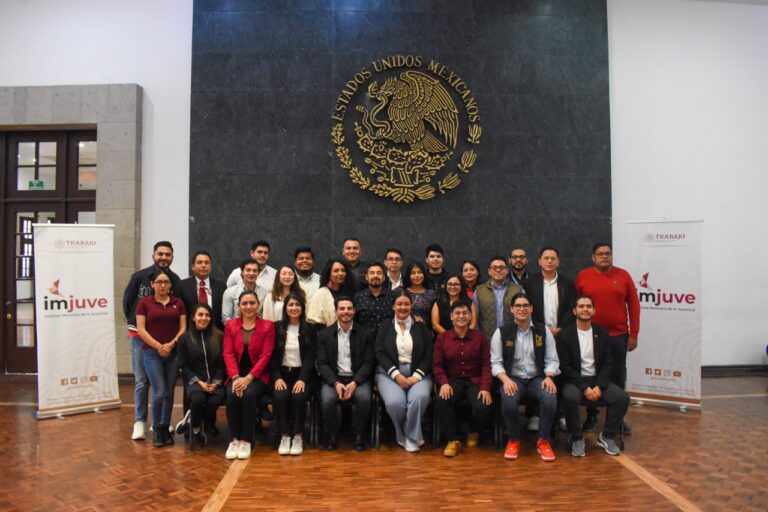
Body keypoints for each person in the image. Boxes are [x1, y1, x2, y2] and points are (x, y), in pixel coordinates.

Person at [575, 243, 640, 433]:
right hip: (590, 336)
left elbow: (634, 306)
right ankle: (591, 415)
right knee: (592, 375)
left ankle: (616, 420)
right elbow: (576, 305)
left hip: (618, 336)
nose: (604, 256)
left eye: (608, 253)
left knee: (617, 377)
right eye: (600, 254)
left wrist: (634, 333)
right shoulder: (583, 276)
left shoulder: (623, 275)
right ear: (593, 257)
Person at [556, 295, 630, 457]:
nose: (585, 309)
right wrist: (585, 388)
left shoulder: (602, 333)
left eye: (588, 306)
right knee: (569, 397)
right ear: (574, 311)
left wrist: (599, 386)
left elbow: (608, 363)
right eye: (581, 306)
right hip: (575, 381)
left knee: (622, 398)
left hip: (597, 380)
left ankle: (607, 436)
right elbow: (565, 367)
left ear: (594, 311)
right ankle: (577, 438)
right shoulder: (565, 335)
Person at [123, 240, 182, 441]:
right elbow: (127, 302)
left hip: (167, 342)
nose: (164, 257)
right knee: (142, 381)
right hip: (141, 338)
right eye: (160, 254)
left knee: (164, 384)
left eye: (167, 254)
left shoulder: (175, 280)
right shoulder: (139, 277)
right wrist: (137, 325)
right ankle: (140, 421)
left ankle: (162, 422)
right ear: (153, 255)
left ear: (172, 257)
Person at [490, 293, 559, 461]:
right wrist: (505, 380)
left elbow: (552, 359)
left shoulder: (543, 331)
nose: (522, 309)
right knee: (508, 398)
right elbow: (496, 362)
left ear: (531, 309)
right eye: (518, 306)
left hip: (537, 378)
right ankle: (513, 440)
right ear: (511, 309)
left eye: (525, 305)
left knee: (549, 396)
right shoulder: (501, 332)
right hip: (513, 378)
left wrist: (549, 376)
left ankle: (543, 441)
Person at [375, 289, 433, 452]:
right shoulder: (385, 326)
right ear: (393, 306)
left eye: (406, 304)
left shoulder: (421, 326)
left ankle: (410, 436)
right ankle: (402, 435)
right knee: (395, 404)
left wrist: (416, 376)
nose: (403, 307)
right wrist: (396, 375)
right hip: (389, 374)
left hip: (418, 373)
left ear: (411, 306)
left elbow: (429, 353)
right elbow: (379, 352)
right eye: (399, 304)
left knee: (420, 398)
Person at [433, 300, 493, 457]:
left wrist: (485, 387)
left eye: (465, 313)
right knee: (442, 400)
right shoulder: (443, 338)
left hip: (475, 381)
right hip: (453, 381)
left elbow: (487, 365)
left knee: (484, 405)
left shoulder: (480, 337)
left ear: (470, 316)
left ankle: (473, 430)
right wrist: (444, 383)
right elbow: (437, 365)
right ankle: (453, 440)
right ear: (451, 317)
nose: (461, 316)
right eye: (457, 313)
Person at [316, 297, 375, 451]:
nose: (346, 312)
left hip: (358, 379)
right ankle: (332, 435)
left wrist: (355, 382)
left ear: (354, 311)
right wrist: (335, 383)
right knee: (328, 400)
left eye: (349, 308)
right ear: (336, 311)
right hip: (334, 379)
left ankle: (359, 436)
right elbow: (322, 363)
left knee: (364, 398)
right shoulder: (324, 334)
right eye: (342, 308)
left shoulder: (366, 333)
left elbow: (368, 362)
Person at [135, 270, 187, 447]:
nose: (163, 285)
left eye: (166, 282)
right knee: (159, 392)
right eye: (159, 282)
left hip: (173, 354)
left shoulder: (178, 303)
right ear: (153, 284)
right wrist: (158, 346)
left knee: (169, 392)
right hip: (152, 354)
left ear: (170, 284)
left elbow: (183, 328)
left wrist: (171, 345)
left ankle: (165, 427)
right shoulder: (144, 303)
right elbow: (141, 330)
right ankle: (157, 428)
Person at [223, 290, 275, 460]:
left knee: (249, 395)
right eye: (244, 303)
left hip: (258, 376)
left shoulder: (268, 326)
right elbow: (228, 354)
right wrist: (236, 378)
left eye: (252, 303)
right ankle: (234, 439)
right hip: (235, 375)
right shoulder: (230, 325)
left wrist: (248, 378)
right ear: (238, 306)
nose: (248, 307)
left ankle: (246, 439)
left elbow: (266, 356)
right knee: (232, 395)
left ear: (258, 305)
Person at [270, 293, 317, 456]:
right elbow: (271, 356)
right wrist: (277, 377)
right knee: (280, 396)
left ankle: (297, 435)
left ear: (302, 308)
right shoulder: (276, 327)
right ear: (285, 308)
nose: (294, 308)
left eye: (297, 305)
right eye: (290, 305)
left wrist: (302, 379)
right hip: (282, 374)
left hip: (302, 375)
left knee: (299, 397)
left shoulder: (310, 328)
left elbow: (311, 356)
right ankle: (284, 435)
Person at [176, 303, 225, 446]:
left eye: (207, 315)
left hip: (215, 381)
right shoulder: (184, 338)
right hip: (195, 381)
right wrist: (199, 382)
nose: (204, 318)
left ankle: (202, 421)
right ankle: (196, 428)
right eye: (200, 315)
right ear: (193, 318)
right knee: (198, 399)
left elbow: (223, 362)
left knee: (215, 399)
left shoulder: (219, 336)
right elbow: (184, 365)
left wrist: (216, 382)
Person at [524, 247, 576, 337]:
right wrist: (541, 328)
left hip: (563, 332)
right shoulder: (530, 283)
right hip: (537, 332)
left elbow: (571, 308)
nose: (549, 261)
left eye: (553, 258)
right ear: (540, 262)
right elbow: (528, 308)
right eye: (546, 258)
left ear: (558, 262)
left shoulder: (567, 283)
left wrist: (561, 328)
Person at [474, 256, 522, 340]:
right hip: (487, 339)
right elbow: (475, 319)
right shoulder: (479, 291)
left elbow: (524, 316)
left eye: (501, 267)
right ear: (489, 271)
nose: (498, 270)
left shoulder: (518, 290)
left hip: (512, 338)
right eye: (494, 268)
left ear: (507, 270)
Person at [178, 250, 226, 329]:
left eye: (207, 263)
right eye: (199, 262)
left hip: (215, 332)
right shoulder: (182, 286)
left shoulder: (221, 287)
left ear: (210, 266)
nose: (203, 265)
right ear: (193, 267)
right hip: (190, 332)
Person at [307, 258, 357, 326]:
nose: (340, 273)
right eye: (336, 271)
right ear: (329, 274)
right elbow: (314, 321)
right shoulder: (321, 294)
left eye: (343, 270)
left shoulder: (351, 292)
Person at [353, 262, 394, 336]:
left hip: (388, 339)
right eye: (372, 273)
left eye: (379, 273)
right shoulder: (358, 297)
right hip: (364, 340)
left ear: (384, 277)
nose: (375, 276)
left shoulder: (392, 296)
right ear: (366, 277)